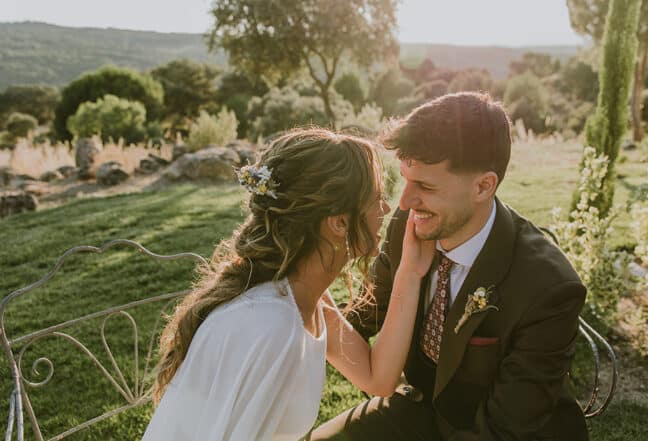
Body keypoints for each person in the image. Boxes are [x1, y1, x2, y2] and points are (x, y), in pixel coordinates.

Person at [312, 92, 589, 441]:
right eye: (406, 180)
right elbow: (363, 314)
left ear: (483, 186)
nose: (406, 202)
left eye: (425, 186)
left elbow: (505, 431)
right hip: (417, 408)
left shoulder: (549, 288)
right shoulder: (408, 225)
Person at [141, 128, 435, 441]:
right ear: (339, 222)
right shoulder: (274, 327)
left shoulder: (306, 300)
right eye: (378, 199)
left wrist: (410, 273)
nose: (387, 210)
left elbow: (378, 378)